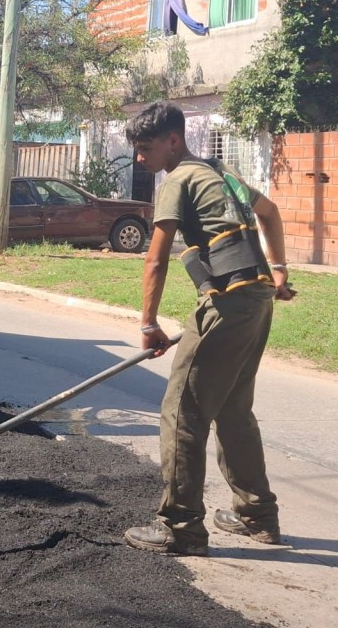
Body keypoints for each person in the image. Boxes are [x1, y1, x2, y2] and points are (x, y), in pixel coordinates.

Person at [122, 101, 294, 556]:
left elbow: (155, 258)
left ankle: (180, 527)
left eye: (145, 149)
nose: (141, 159)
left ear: (172, 141)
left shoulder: (178, 179)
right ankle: (257, 516)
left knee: (182, 412)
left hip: (226, 304)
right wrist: (278, 272)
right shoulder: (219, 171)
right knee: (234, 411)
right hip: (255, 300)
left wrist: (148, 324)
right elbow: (271, 212)